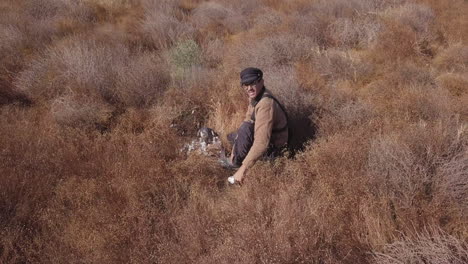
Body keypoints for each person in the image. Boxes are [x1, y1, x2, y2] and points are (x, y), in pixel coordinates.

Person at [227, 67, 289, 184]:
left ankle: (237, 166)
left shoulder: (265, 104)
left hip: (275, 149)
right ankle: (236, 158)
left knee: (243, 132)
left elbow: (261, 143)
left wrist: (242, 169)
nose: (249, 88)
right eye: (245, 84)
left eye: (253, 83)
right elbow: (248, 120)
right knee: (235, 134)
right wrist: (235, 149)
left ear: (261, 82)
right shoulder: (255, 97)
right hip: (263, 138)